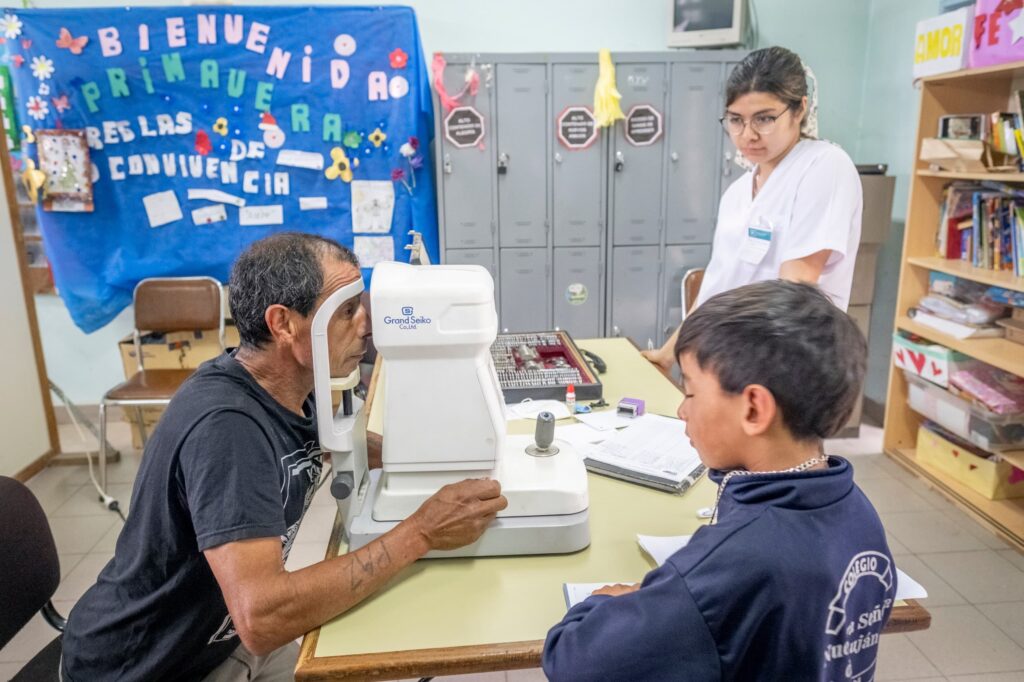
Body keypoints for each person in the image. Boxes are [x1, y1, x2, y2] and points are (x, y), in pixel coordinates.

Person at [61, 233, 508, 681]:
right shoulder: (227, 430)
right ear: (284, 324)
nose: (366, 325)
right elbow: (263, 617)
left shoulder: (288, 385)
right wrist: (422, 532)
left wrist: (436, 454)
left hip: (217, 641)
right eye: (346, 310)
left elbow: (338, 443)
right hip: (147, 667)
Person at [543, 280, 895, 681]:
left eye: (690, 393)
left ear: (754, 409)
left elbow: (572, 661)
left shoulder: (736, 560)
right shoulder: (857, 509)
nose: (681, 410)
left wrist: (604, 604)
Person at [643, 46, 863, 375]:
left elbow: (794, 289)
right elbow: (716, 288)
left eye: (764, 118)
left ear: (800, 109)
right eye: (736, 120)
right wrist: (667, 355)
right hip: (729, 363)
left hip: (786, 366)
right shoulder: (737, 193)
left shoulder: (824, 166)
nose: (748, 135)